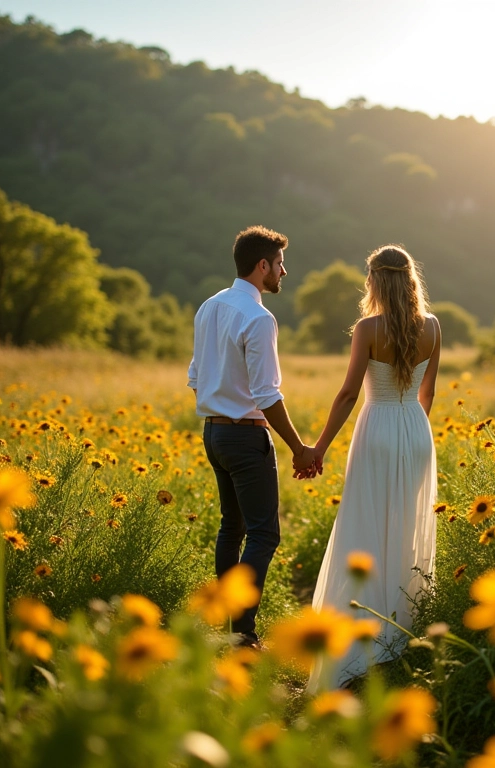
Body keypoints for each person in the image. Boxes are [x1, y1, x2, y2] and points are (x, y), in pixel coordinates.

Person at [307, 244, 440, 691]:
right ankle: (405, 632)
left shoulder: (366, 328)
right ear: (410, 280)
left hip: (376, 426)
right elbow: (428, 394)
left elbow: (347, 394)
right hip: (415, 430)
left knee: (365, 527)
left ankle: (362, 637)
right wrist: (413, 432)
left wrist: (319, 447)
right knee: (405, 527)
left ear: (373, 281)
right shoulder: (434, 327)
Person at [188, 225, 317, 649]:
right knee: (264, 534)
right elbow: (266, 394)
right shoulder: (259, 318)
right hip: (245, 438)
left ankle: (228, 626)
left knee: (232, 527)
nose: (284, 271)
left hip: (213, 434)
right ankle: (242, 633)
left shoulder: (209, 307)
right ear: (263, 266)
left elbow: (195, 376)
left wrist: (219, 405)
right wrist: (299, 448)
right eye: (280, 264)